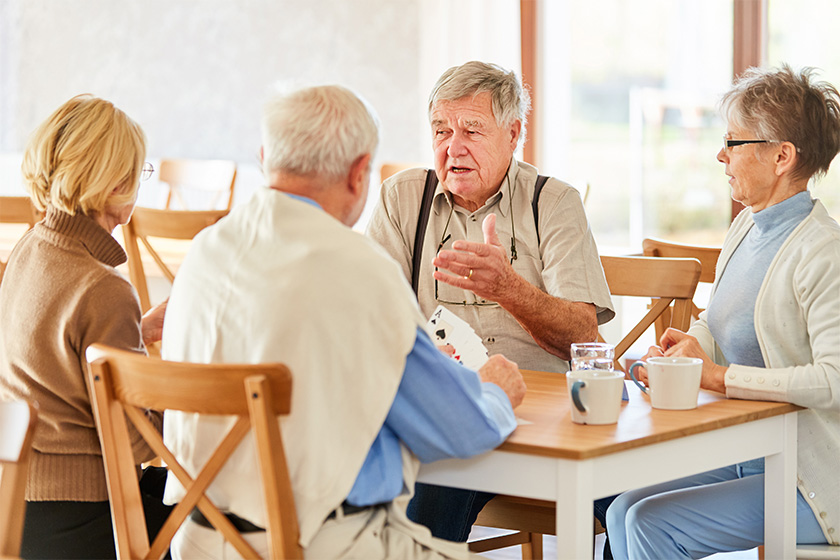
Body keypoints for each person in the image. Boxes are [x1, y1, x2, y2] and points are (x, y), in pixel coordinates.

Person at [160, 84, 527, 559]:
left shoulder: (206, 250)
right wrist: (496, 393)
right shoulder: (360, 268)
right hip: (319, 545)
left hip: (197, 541)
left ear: (266, 157)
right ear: (359, 175)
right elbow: (457, 430)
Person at [366, 60, 615, 542]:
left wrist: (507, 287)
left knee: (633, 503)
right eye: (441, 129)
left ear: (513, 133)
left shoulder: (553, 202)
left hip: (548, 418)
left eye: (471, 131)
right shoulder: (403, 198)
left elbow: (584, 339)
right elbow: (368, 317)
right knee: (427, 492)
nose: (452, 147)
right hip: (449, 409)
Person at [605, 65, 840, 559]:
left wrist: (717, 377)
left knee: (650, 524)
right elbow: (715, 323)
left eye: (733, 142)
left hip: (814, 479)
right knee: (620, 509)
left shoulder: (824, 252)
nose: (720, 154)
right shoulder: (745, 229)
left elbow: (832, 381)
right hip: (750, 454)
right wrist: (692, 348)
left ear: (781, 156)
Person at [0, 94, 171, 559]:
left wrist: (138, 332)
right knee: (218, 524)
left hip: (18, 502)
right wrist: (184, 393)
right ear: (117, 183)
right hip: (84, 516)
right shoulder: (103, 288)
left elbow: (59, 352)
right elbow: (139, 442)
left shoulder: (30, 248)